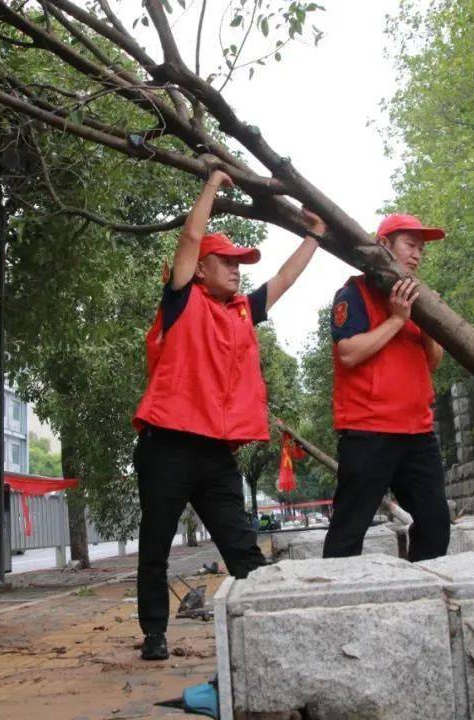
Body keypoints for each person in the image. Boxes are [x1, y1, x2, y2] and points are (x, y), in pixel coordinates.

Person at [132, 169, 324, 660]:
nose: (238, 269)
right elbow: (189, 238)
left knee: (242, 545)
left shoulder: (241, 310)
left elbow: (284, 279)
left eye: (240, 263)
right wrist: (213, 184)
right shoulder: (181, 299)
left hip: (216, 454)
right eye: (228, 261)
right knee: (155, 547)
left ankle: (269, 625)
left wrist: (315, 235)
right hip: (167, 445)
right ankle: (154, 635)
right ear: (200, 269)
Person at [322, 213, 450, 562]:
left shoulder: (418, 297)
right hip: (368, 430)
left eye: (421, 249)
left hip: (417, 431)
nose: (417, 254)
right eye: (410, 245)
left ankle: (420, 585)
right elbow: (348, 354)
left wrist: (427, 321)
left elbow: (433, 362)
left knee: (436, 523)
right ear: (384, 245)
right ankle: (337, 590)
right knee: (350, 528)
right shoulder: (354, 293)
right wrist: (396, 319)